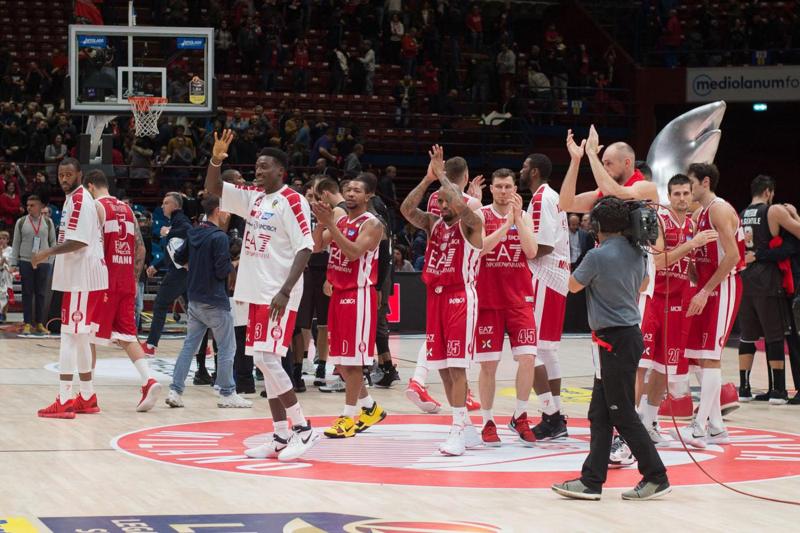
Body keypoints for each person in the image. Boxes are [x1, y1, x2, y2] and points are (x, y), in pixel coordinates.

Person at [205, 130, 319, 461]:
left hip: (278, 292)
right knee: (262, 362)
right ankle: (281, 435)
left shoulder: (292, 200)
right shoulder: (254, 197)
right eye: (256, 165)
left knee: (269, 360)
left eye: (265, 166)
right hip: (256, 293)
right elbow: (214, 189)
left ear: (280, 171)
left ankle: (302, 428)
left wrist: (285, 291)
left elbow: (306, 247)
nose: (258, 170)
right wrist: (216, 159)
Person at [552, 196, 670, 501]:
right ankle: (592, 480)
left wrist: (554, 264)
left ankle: (656, 475)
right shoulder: (638, 252)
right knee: (600, 413)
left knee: (622, 413)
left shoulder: (597, 255)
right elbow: (643, 286)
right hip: (625, 337)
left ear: (600, 226)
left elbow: (573, 286)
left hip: (613, 341)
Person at [401, 145, 484, 456]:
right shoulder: (434, 222)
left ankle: (458, 429)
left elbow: (462, 205)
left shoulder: (470, 222)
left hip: (460, 297)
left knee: (458, 367)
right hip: (435, 298)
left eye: (446, 199)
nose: (442, 204)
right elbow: (407, 211)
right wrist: (427, 181)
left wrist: (444, 180)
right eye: (439, 201)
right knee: (444, 369)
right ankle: (467, 429)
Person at [637, 174, 717, 445]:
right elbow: (658, 262)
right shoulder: (660, 221)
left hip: (679, 303)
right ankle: (629, 426)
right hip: (654, 300)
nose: (682, 198)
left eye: (686, 193)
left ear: (692, 193)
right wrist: (691, 245)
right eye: (677, 194)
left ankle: (648, 423)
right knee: (641, 366)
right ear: (669, 196)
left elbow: (690, 265)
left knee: (663, 369)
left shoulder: (694, 225)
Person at [33, 158, 108, 419]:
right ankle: (87, 396)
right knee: (82, 337)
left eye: (68, 174)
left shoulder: (78, 199)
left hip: (81, 278)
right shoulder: (78, 199)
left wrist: (47, 253)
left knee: (68, 337)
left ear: (79, 175)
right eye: (60, 174)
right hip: (87, 278)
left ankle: (64, 399)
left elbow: (77, 241)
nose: (64, 179)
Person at [312, 176, 387, 437]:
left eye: (357, 190)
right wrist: (321, 221)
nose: (351, 193)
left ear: (368, 196)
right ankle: (370, 408)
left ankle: (347, 418)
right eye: (348, 190)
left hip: (359, 296)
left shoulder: (374, 224)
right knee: (343, 362)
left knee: (353, 363)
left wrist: (331, 224)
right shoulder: (341, 220)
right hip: (338, 294)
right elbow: (317, 246)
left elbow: (354, 252)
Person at [677, 163, 745, 446]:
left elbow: (732, 257)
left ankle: (699, 425)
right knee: (701, 356)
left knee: (711, 357)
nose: (687, 189)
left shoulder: (718, 208)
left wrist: (704, 290)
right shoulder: (700, 214)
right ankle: (716, 426)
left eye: (690, 183)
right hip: (707, 287)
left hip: (723, 287)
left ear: (705, 182)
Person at [83, 170, 161, 412]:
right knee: (128, 336)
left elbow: (87, 246)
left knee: (87, 336)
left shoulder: (95, 207)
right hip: (127, 280)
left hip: (103, 280)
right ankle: (149, 381)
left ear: (89, 187)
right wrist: (133, 280)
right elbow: (140, 249)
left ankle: (87, 393)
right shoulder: (127, 209)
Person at [165, 194, 252, 409]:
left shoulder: (194, 231)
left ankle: (175, 391)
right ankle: (227, 393)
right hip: (215, 299)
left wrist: (194, 267)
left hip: (194, 298)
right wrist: (237, 262)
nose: (229, 215)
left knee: (189, 347)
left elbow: (178, 257)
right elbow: (222, 269)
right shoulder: (219, 237)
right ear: (218, 211)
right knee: (227, 348)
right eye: (227, 210)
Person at [475, 169, 539, 446]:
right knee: (489, 365)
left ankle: (520, 415)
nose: (504, 191)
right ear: (492, 189)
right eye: (499, 186)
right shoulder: (481, 215)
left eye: (508, 187)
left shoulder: (523, 215)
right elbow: (480, 248)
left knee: (528, 359)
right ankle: (488, 420)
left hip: (519, 299)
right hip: (488, 300)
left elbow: (532, 251)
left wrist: (518, 221)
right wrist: (504, 226)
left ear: (515, 189)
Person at [520, 141, 575, 440]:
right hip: (557, 279)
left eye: (525, 166)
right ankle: (557, 416)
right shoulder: (551, 197)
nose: (521, 170)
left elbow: (541, 247)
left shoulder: (541, 199)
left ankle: (551, 415)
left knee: (529, 351)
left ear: (535, 171)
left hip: (544, 275)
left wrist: (515, 248)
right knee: (547, 352)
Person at [737, 175, 800, 404]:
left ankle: (743, 389)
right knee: (775, 335)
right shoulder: (773, 211)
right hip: (767, 279)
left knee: (748, 335)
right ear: (768, 192)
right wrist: (792, 214)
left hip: (745, 278)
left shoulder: (741, 214)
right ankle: (778, 392)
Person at [140, 192, 192, 356]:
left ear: (176, 206)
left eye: (166, 203)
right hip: (182, 272)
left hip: (178, 273)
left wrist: (168, 232)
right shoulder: (175, 221)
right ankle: (204, 347)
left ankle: (150, 345)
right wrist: (157, 265)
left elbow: (189, 230)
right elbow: (173, 251)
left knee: (161, 304)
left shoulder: (180, 219)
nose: (162, 206)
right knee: (194, 310)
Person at [11, 195, 56, 334]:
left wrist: (50, 261)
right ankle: (27, 323)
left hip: (43, 263)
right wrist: (13, 262)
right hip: (26, 261)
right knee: (27, 293)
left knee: (41, 294)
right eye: (28, 205)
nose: (29, 207)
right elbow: (16, 243)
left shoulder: (48, 222)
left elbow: (53, 243)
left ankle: (40, 323)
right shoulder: (21, 222)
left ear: (40, 206)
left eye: (32, 205)